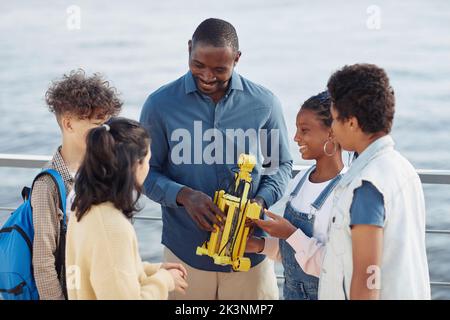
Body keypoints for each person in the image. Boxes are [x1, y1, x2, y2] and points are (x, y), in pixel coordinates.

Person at [139, 18, 292, 299]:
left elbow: (279, 166)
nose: (208, 76)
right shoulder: (159, 105)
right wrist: (184, 196)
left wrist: (260, 202)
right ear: (188, 50)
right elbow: (145, 173)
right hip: (184, 257)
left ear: (237, 59)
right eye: (198, 65)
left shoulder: (264, 104)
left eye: (219, 69)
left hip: (249, 256)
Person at [319, 63, 431, 299]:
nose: (332, 128)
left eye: (334, 119)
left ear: (352, 122)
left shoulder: (367, 186)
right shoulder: (403, 168)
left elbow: (368, 279)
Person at [66, 118, 188, 300]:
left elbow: (105, 271)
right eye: (147, 160)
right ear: (134, 166)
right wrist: (165, 280)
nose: (148, 167)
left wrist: (154, 270)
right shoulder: (112, 228)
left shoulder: (82, 208)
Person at [246, 91, 346, 300]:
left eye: (304, 130)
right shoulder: (301, 179)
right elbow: (295, 255)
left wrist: (290, 233)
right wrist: (259, 245)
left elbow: (338, 271)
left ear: (332, 133)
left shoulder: (346, 192)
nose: (295, 137)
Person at [32, 70, 121, 299]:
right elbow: (43, 262)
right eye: (96, 125)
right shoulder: (48, 185)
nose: (105, 134)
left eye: (106, 125)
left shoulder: (104, 171)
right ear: (68, 124)